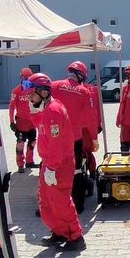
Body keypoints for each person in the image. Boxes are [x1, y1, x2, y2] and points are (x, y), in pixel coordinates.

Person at [24, 73, 86, 251]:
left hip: (58, 164)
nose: (30, 96)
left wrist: (51, 167)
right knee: (46, 202)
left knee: (60, 202)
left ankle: (75, 237)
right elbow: (40, 127)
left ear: (43, 92)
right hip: (50, 163)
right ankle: (59, 232)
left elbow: (56, 143)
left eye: (32, 94)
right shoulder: (46, 108)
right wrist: (34, 110)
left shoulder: (54, 111)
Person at [51, 61, 99, 213]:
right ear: (81, 76)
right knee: (76, 170)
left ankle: (53, 204)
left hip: (55, 137)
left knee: (53, 169)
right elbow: (91, 117)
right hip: (74, 138)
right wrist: (94, 138)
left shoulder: (54, 86)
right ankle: (77, 206)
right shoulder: (84, 91)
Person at [9, 67, 38, 173]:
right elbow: (11, 107)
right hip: (21, 123)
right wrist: (11, 121)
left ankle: (29, 162)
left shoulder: (35, 90)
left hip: (33, 122)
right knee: (20, 143)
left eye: (28, 77)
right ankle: (20, 164)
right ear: (21, 78)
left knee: (33, 142)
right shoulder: (16, 91)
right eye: (24, 77)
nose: (26, 79)